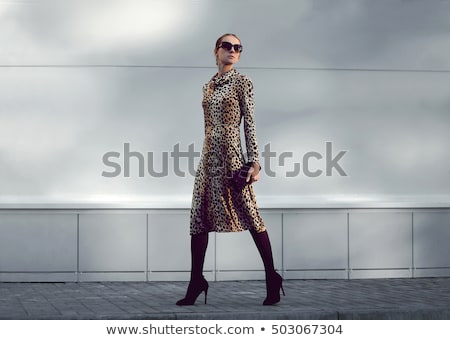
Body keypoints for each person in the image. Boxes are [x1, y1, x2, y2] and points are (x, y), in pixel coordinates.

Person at [176, 33, 284, 306]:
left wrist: (255, 161)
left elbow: (250, 123)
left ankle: (272, 277)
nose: (233, 50)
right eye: (228, 46)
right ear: (216, 51)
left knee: (251, 214)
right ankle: (196, 281)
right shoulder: (208, 86)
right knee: (198, 216)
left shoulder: (242, 82)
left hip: (233, 156)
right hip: (209, 157)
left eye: (238, 48)